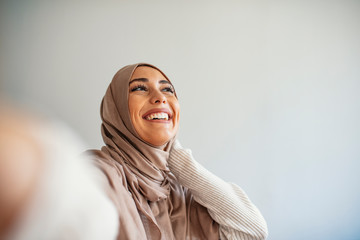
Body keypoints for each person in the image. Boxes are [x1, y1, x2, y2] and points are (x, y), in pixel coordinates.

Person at [86, 63, 269, 240]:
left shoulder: (178, 193)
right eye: (139, 88)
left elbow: (252, 230)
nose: (160, 97)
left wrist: (178, 159)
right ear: (116, 108)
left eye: (167, 90)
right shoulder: (99, 174)